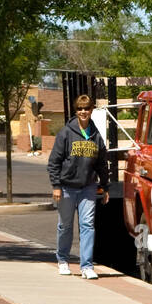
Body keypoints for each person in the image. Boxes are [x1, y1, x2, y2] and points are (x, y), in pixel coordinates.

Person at [48, 93, 109, 279]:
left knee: (87, 225)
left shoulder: (96, 135)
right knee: (65, 226)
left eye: (87, 108)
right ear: (76, 111)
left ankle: (87, 266)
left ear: (91, 110)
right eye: (80, 109)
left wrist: (105, 187)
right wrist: (56, 185)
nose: (83, 112)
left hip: (88, 187)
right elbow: (54, 162)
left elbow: (102, 163)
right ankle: (63, 260)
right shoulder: (66, 133)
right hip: (66, 187)